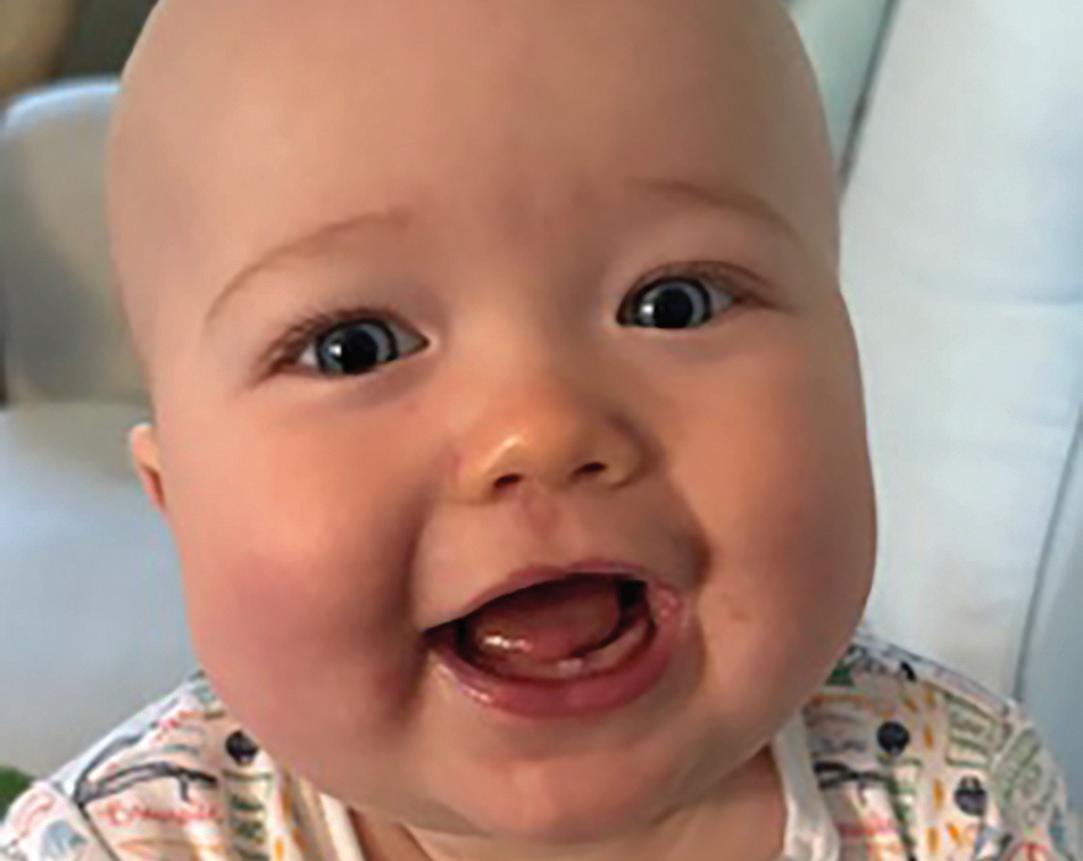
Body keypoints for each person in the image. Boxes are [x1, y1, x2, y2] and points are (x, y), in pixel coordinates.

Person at [1, 1, 1078, 859]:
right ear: (176, 502)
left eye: (673, 304)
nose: (540, 428)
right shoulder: (112, 844)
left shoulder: (951, 797)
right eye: (354, 347)